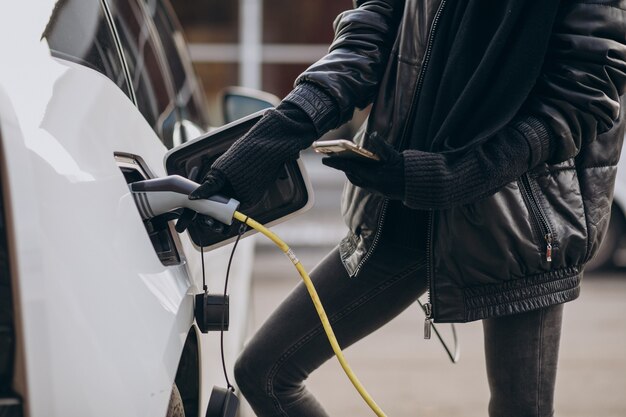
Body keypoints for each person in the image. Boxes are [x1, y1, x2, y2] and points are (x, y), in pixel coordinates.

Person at [189, 1, 626, 416]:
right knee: (264, 371)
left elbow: (581, 96)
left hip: (522, 223)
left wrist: (455, 176)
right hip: (403, 204)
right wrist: (276, 138)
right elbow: (367, 35)